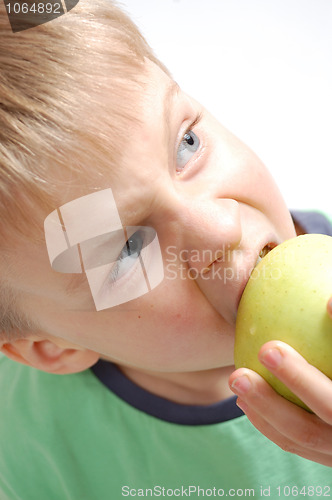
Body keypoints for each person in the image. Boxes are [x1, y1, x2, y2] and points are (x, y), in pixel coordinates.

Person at [0, 1, 331, 498]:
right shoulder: (30, 448)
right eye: (126, 249)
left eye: (187, 144)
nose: (220, 229)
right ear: (54, 348)